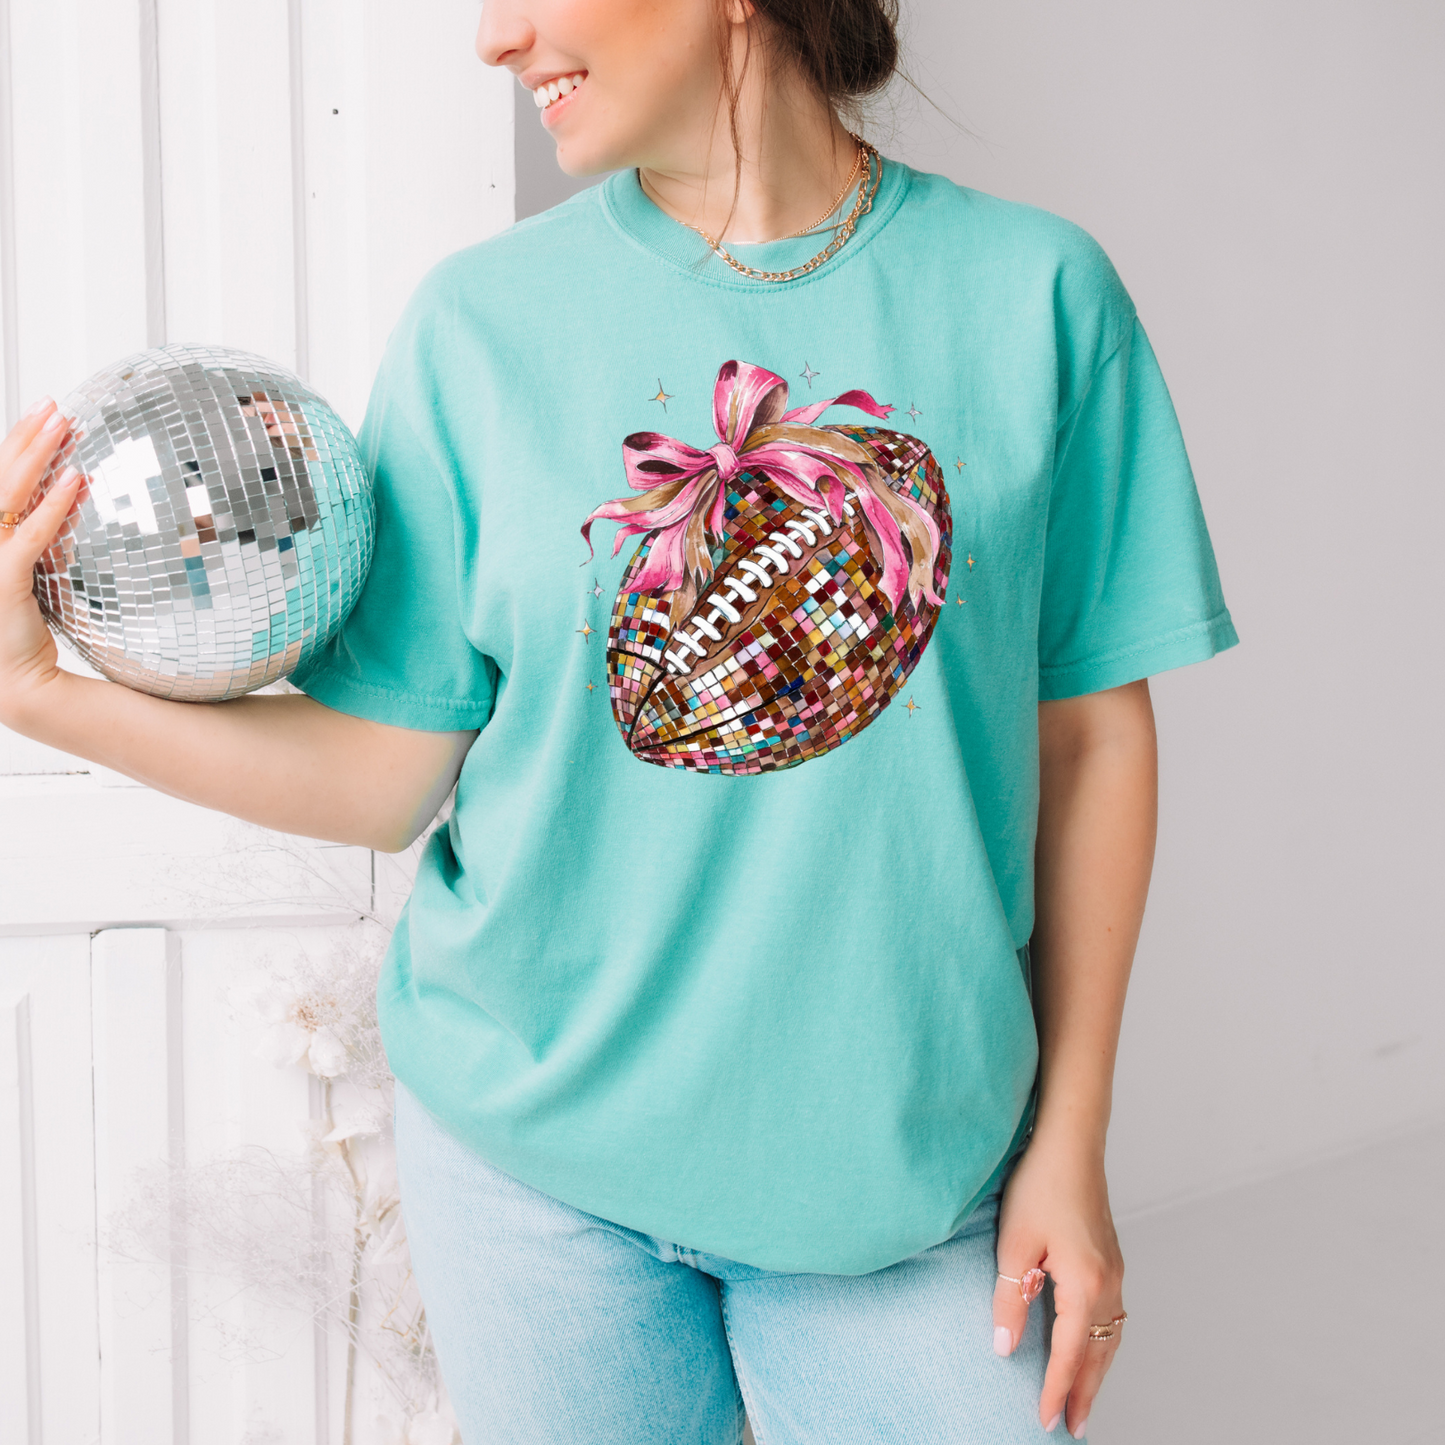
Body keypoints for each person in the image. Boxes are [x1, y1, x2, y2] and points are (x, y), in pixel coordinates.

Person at [0, 0, 1238, 1439]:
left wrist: (1071, 1143)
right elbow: (391, 773)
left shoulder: (1037, 298)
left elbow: (1092, 739)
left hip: (905, 1173)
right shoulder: (481, 326)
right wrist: (38, 697)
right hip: (536, 1176)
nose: (493, 37)